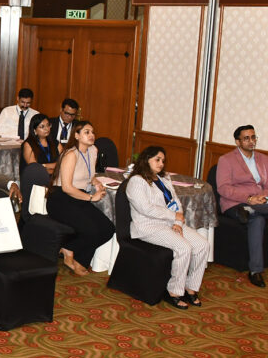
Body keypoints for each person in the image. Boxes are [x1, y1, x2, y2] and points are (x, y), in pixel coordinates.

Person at [216, 125, 268, 287]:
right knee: (258, 217)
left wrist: (264, 198)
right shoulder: (226, 160)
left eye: (253, 137)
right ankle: (255, 271)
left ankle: (251, 211)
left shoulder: (265, 160)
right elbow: (224, 189)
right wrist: (248, 199)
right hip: (236, 204)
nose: (251, 141)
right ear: (238, 142)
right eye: (246, 138)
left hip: (260, 203)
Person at [126, 146, 208, 308]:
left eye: (163, 160)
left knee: (202, 245)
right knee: (184, 247)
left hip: (169, 223)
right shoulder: (137, 181)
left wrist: (177, 222)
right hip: (148, 226)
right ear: (146, 160)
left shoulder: (163, 178)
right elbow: (145, 209)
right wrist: (173, 217)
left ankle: (190, 287)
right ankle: (174, 291)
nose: (161, 164)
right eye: (157, 160)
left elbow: (176, 202)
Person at [47, 120, 115, 276]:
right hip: (60, 199)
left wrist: (96, 182)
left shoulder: (93, 150)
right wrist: (91, 197)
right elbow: (67, 187)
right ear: (77, 136)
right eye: (86, 132)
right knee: (92, 231)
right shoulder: (71, 154)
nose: (91, 135)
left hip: (79, 196)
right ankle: (80, 259)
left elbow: (89, 175)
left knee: (108, 229)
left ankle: (69, 248)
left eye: (92, 132)